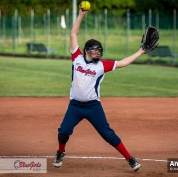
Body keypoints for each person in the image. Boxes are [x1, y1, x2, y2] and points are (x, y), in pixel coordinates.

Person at [53, 4, 145, 172]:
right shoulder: (77, 58)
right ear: (87, 50)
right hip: (75, 106)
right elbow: (73, 34)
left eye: (99, 51)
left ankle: (130, 159)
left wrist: (140, 51)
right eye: (95, 50)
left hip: (93, 106)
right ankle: (60, 152)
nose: (98, 53)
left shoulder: (102, 65)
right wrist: (81, 14)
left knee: (108, 135)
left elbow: (123, 62)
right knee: (63, 131)